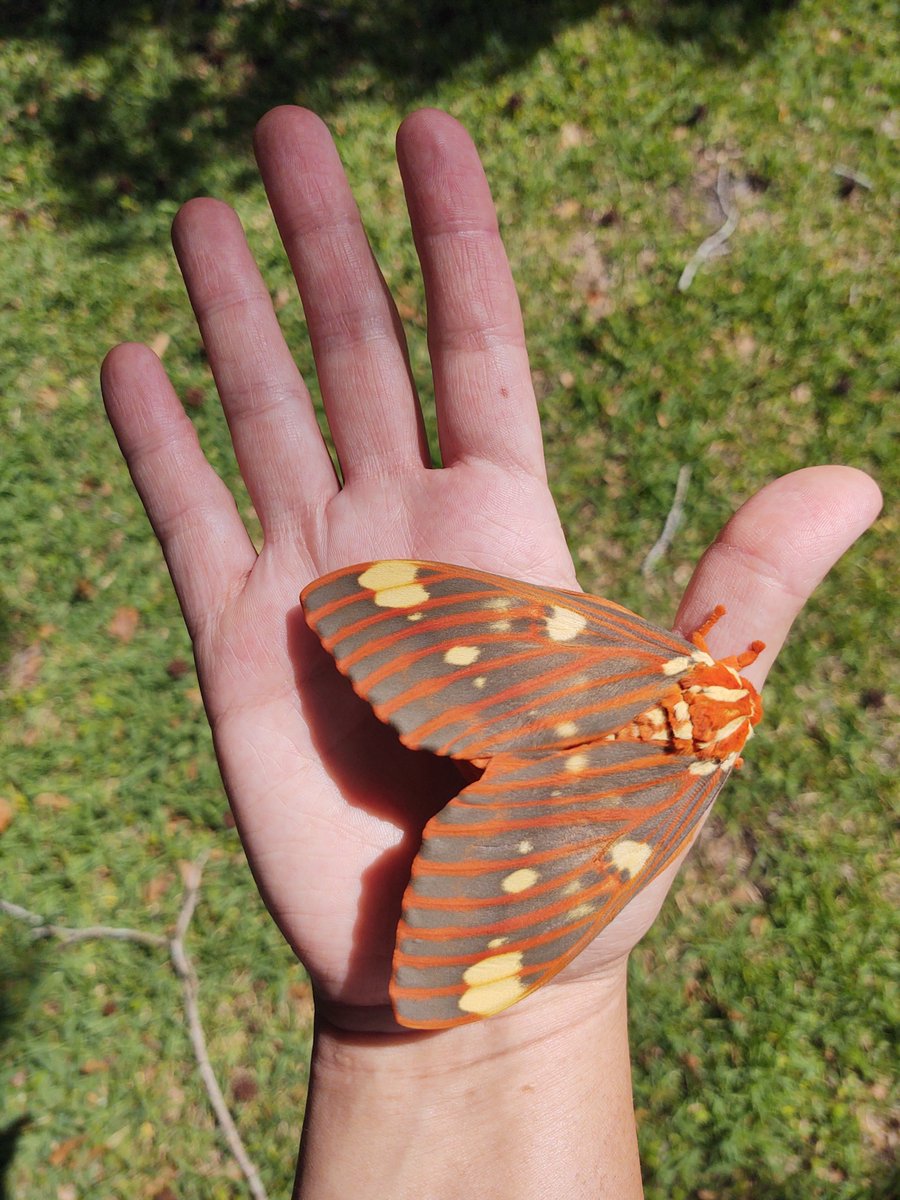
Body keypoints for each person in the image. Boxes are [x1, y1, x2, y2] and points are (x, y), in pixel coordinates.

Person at [101, 106, 881, 1198]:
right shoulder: (663, 796)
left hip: (589, 681)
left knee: (528, 648)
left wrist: (502, 1021)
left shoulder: (669, 663)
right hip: (609, 815)